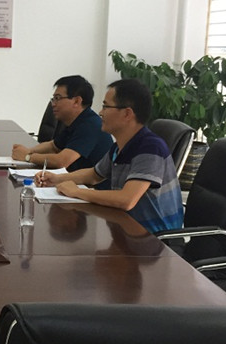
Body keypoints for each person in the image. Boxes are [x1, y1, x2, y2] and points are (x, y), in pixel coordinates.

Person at [35, 78, 184, 234]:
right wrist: (57, 179)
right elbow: (94, 175)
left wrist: (76, 192)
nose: (100, 112)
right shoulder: (120, 146)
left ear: (127, 113)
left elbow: (127, 200)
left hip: (155, 239)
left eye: (106, 106)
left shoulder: (150, 148)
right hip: (126, 228)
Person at [12, 75, 113, 171]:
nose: (53, 104)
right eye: (53, 99)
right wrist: (29, 150)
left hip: (91, 184)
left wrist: (28, 157)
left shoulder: (90, 125)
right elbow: (53, 146)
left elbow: (62, 161)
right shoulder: (76, 121)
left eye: (58, 98)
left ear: (77, 101)